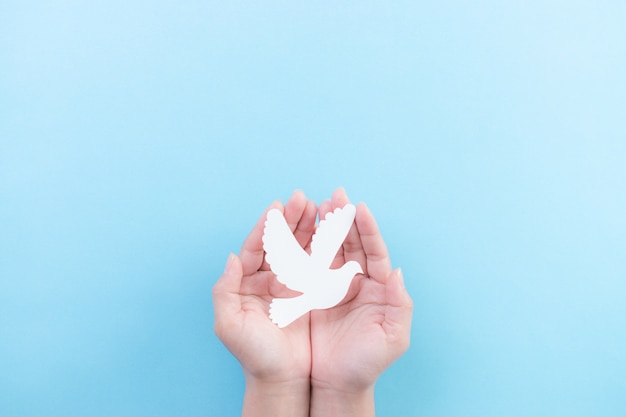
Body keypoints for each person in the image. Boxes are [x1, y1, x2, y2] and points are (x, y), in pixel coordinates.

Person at [213, 188, 413, 417]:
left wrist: (342, 389)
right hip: (299, 302)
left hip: (302, 303)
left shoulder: (338, 281)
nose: (356, 272)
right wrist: (276, 383)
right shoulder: (323, 274)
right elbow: (290, 247)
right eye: (354, 269)